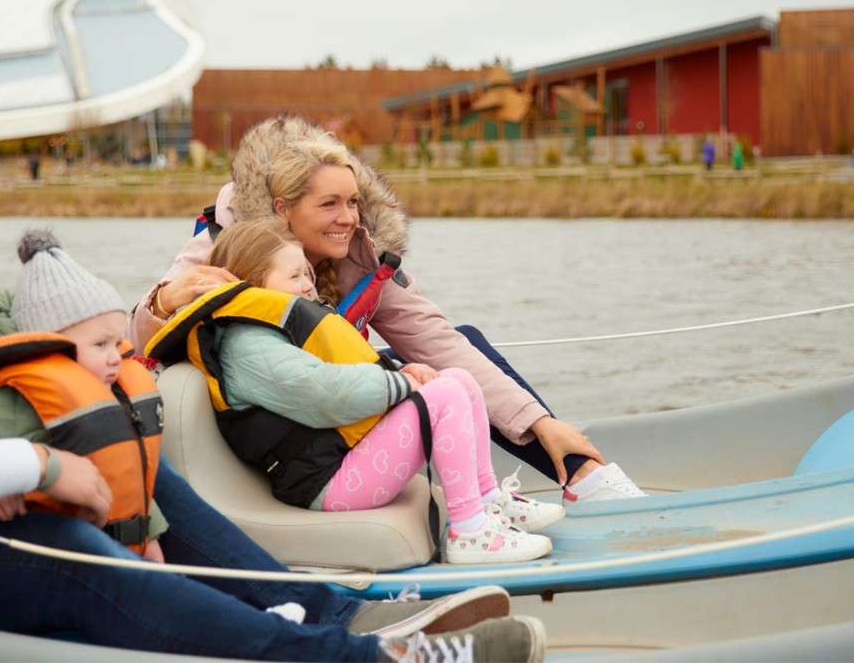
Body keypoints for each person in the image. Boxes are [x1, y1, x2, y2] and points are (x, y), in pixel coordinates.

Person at [0, 67, 542, 662]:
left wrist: (66, 389)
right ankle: (352, 660)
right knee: (65, 546)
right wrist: (32, 463)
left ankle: (340, 612)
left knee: (127, 445)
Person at [131, 116, 644, 504]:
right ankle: (484, 507)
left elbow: (435, 338)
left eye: (352, 202)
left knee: (458, 344)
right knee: (430, 378)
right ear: (284, 208)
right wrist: (164, 300)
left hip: (333, 405)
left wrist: (538, 421)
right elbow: (142, 330)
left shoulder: (359, 255)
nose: (347, 218)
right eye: (329, 204)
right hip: (280, 423)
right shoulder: (228, 241)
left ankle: (572, 471)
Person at [149, 215, 561, 564]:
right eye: (294, 276)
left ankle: (488, 503)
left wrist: (404, 369)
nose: (307, 287)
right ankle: (468, 532)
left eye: (307, 275)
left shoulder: (274, 327)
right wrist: (401, 383)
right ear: (251, 283)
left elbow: (349, 369)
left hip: (340, 459)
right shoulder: (246, 345)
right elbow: (324, 395)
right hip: (325, 485)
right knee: (443, 396)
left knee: (458, 380)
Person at [0, 229, 170, 563]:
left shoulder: (103, 392)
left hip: (114, 547)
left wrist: (149, 534)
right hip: (45, 554)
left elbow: (130, 470)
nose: (116, 356)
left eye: (117, 343)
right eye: (100, 345)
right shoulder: (9, 400)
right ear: (51, 347)